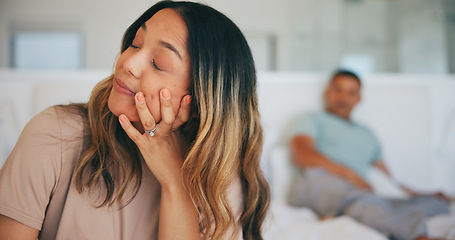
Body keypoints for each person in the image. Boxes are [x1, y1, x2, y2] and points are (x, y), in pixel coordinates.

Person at [0, 1, 270, 239]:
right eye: (135, 44)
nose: (128, 62)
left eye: (159, 63)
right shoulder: (53, 134)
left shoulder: (218, 181)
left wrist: (175, 184)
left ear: (200, 103)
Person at [287, 69, 449, 240]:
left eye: (351, 92)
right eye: (337, 89)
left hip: (356, 192)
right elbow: (302, 154)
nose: (343, 97)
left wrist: (422, 194)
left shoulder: (367, 134)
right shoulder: (313, 118)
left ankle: (343, 215)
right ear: (327, 92)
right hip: (318, 180)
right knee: (361, 200)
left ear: (358, 99)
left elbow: (389, 180)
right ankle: (419, 237)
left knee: (433, 205)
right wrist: (349, 174)